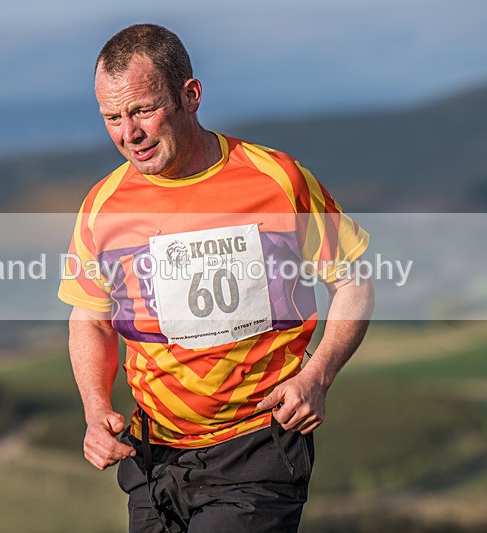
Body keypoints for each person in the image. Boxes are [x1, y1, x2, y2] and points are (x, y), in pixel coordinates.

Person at [58, 23, 374, 532]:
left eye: (142, 110)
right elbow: (91, 319)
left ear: (191, 95)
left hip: (258, 446)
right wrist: (95, 411)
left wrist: (318, 376)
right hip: (153, 457)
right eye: (111, 117)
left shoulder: (277, 179)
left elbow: (353, 281)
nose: (128, 134)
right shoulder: (101, 205)